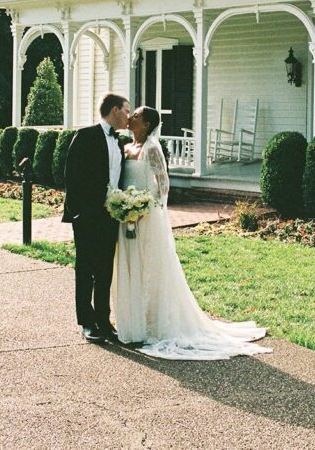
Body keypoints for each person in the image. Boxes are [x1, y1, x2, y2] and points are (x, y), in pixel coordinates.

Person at [112, 106, 271, 360]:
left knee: (150, 267)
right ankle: (134, 321)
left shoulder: (151, 149)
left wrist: (143, 208)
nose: (130, 118)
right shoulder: (125, 147)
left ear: (147, 123)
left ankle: (153, 321)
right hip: (125, 216)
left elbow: (162, 186)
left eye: (136, 116)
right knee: (131, 267)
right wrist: (123, 206)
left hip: (146, 218)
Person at [63, 93, 130, 343]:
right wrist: (78, 212)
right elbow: (72, 175)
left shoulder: (120, 142)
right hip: (87, 215)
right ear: (115, 110)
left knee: (105, 270)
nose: (128, 115)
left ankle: (104, 319)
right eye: (126, 110)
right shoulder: (86, 135)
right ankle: (87, 322)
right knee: (86, 269)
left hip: (111, 215)